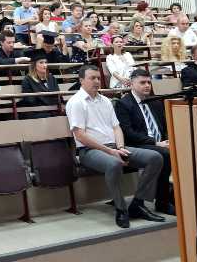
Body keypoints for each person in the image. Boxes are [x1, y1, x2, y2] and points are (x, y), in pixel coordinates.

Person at [66, 65, 165, 228]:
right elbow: (80, 135)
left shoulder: (105, 100)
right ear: (81, 80)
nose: (97, 81)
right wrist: (110, 151)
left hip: (114, 146)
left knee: (155, 157)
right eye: (92, 78)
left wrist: (120, 147)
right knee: (114, 163)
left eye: (98, 78)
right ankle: (121, 209)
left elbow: (116, 127)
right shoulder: (76, 102)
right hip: (89, 151)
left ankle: (138, 203)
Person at [115, 70, 175, 215]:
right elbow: (128, 133)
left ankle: (174, 194)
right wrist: (156, 143)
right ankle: (162, 202)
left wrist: (168, 140)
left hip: (159, 143)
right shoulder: (123, 104)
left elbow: (165, 126)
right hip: (136, 144)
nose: (147, 85)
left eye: (149, 82)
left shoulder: (155, 101)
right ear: (131, 84)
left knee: (185, 149)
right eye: (142, 82)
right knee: (166, 154)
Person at [19, 49, 60, 119]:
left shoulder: (51, 78)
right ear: (34, 65)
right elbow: (30, 100)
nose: (45, 65)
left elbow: (58, 95)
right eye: (41, 63)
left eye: (46, 62)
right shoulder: (27, 80)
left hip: (52, 110)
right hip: (37, 112)